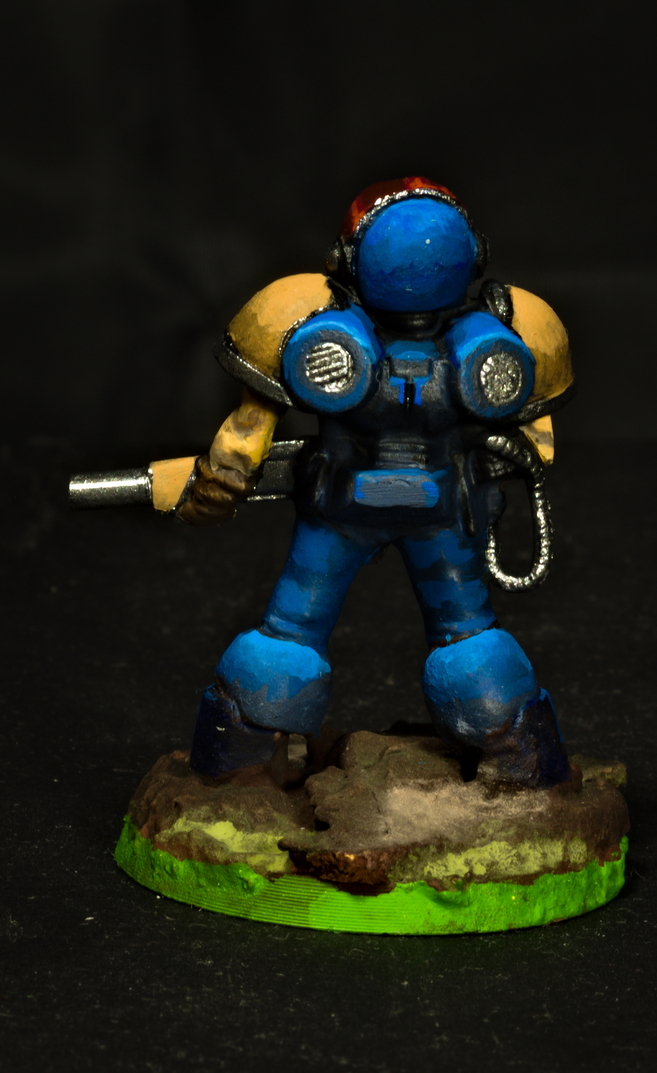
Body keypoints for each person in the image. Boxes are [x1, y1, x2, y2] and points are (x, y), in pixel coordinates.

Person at [178, 177, 575, 788]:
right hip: (438, 506)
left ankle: (236, 761)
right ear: (476, 254)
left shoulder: (305, 318)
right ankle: (523, 761)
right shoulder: (512, 331)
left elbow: (244, 435)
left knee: (290, 629)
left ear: (345, 258)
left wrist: (221, 479)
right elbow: (535, 444)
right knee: (469, 631)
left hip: (344, 506)